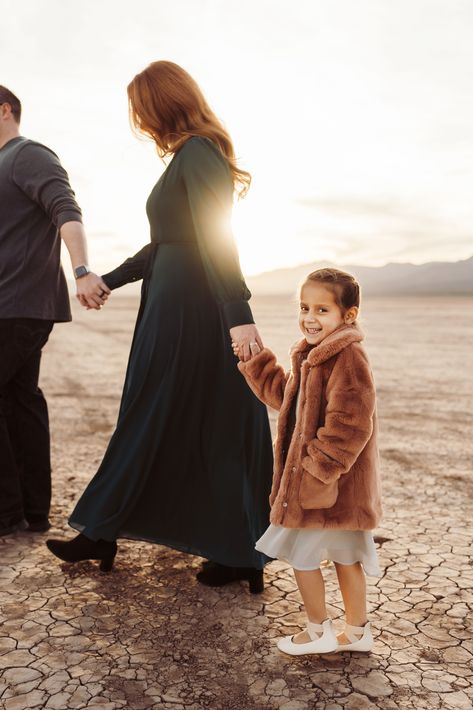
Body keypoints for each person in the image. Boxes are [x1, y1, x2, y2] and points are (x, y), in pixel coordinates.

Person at [46, 61, 274, 591]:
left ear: (161, 104)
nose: (140, 122)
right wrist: (112, 278)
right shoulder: (188, 157)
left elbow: (217, 237)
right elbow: (166, 245)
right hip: (174, 304)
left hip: (195, 310)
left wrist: (238, 315)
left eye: (141, 110)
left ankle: (237, 551)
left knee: (187, 417)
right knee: (167, 414)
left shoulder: (198, 153)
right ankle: (109, 530)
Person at [237, 268, 383, 653]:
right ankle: (357, 632)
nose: (309, 318)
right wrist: (258, 365)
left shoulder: (347, 356)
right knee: (343, 556)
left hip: (329, 487)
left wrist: (316, 471)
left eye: (322, 310)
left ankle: (319, 631)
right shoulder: (312, 355)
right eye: (304, 307)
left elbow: (351, 423)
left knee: (305, 557)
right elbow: (291, 400)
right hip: (331, 489)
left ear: (347, 315)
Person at [0, 86, 110, 537]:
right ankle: (31, 512)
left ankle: (7, 513)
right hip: (13, 305)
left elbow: (67, 210)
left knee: (17, 399)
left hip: (18, 304)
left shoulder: (27, 155)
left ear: (4, 110)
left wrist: (81, 269)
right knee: (18, 400)